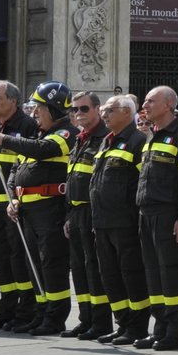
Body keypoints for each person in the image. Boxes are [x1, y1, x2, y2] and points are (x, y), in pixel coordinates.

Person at [0, 82, 78, 336]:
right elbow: (16, 169)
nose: (35, 113)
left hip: (50, 210)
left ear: (54, 109)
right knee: (33, 262)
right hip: (27, 209)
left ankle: (55, 317)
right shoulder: (39, 133)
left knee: (51, 263)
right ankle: (40, 312)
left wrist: (4, 139)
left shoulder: (66, 133)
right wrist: (13, 196)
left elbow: (43, 151)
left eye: (40, 108)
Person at [134, 86, 178, 350]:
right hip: (147, 213)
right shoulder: (152, 136)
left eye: (151, 101)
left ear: (168, 105)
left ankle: (176, 332)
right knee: (153, 274)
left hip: (169, 215)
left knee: (171, 273)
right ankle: (160, 328)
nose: (145, 105)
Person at [89, 94, 150, 345]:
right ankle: (122, 322)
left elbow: (142, 183)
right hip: (102, 221)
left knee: (131, 276)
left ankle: (137, 326)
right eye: (103, 110)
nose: (104, 114)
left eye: (110, 110)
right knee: (110, 277)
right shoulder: (107, 140)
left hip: (125, 221)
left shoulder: (137, 141)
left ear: (127, 112)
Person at [0, 81, 39, 330]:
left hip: (15, 206)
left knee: (18, 260)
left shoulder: (26, 126)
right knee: (2, 260)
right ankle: (7, 307)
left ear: (13, 101)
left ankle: (26, 310)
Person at [63, 91, 111, 340]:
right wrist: (69, 214)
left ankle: (101, 322)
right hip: (76, 211)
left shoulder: (104, 137)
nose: (78, 114)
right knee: (79, 270)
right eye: (75, 110)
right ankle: (86, 318)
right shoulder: (80, 139)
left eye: (84, 109)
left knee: (94, 269)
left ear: (97, 109)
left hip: (93, 212)